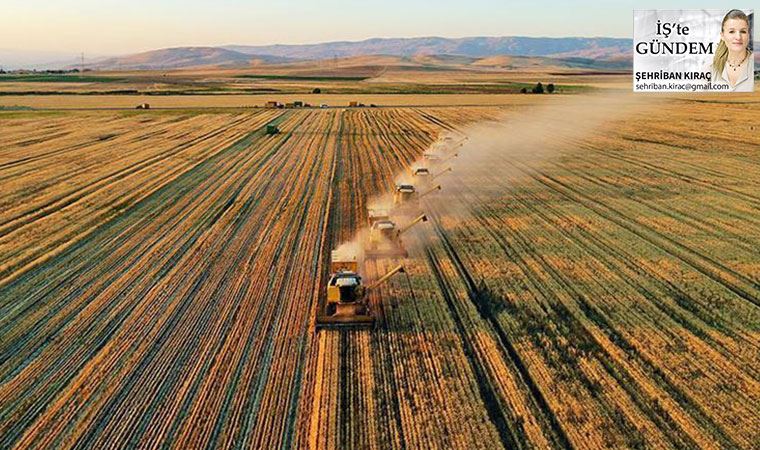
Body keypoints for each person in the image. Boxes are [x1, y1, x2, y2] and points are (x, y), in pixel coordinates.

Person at [711, 9, 754, 92]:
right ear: (722, 36)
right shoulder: (710, 67)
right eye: (731, 32)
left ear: (748, 35)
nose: (738, 37)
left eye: (743, 31)